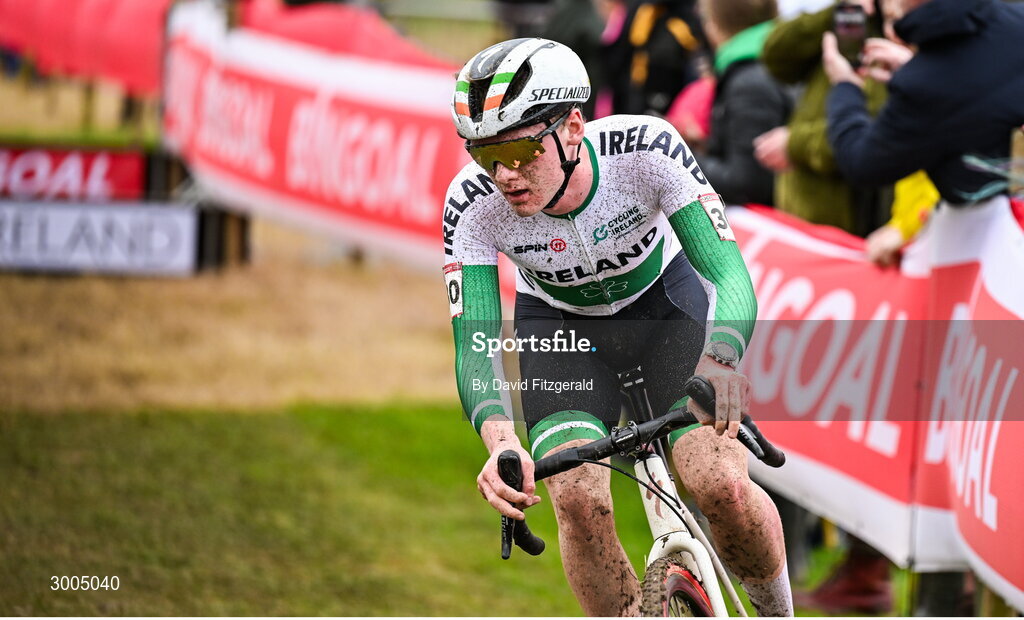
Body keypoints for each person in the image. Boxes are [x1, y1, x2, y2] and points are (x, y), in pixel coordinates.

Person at [443, 37, 792, 616]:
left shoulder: (644, 150)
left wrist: (721, 358)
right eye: (485, 156)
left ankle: (779, 612)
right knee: (576, 499)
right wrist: (501, 441)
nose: (504, 175)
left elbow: (728, 274)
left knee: (719, 484)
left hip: (665, 317)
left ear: (573, 127)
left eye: (523, 150)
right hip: (562, 336)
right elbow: (474, 344)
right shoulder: (472, 203)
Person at [823, 0, 1024, 206]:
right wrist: (912, 66)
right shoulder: (1016, 18)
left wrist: (845, 84)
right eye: (888, 18)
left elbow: (863, 164)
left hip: (995, 223)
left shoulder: (924, 86)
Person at [681, 0, 792, 206]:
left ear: (714, 24)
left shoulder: (749, 83)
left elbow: (746, 184)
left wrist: (681, 158)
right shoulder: (777, 60)